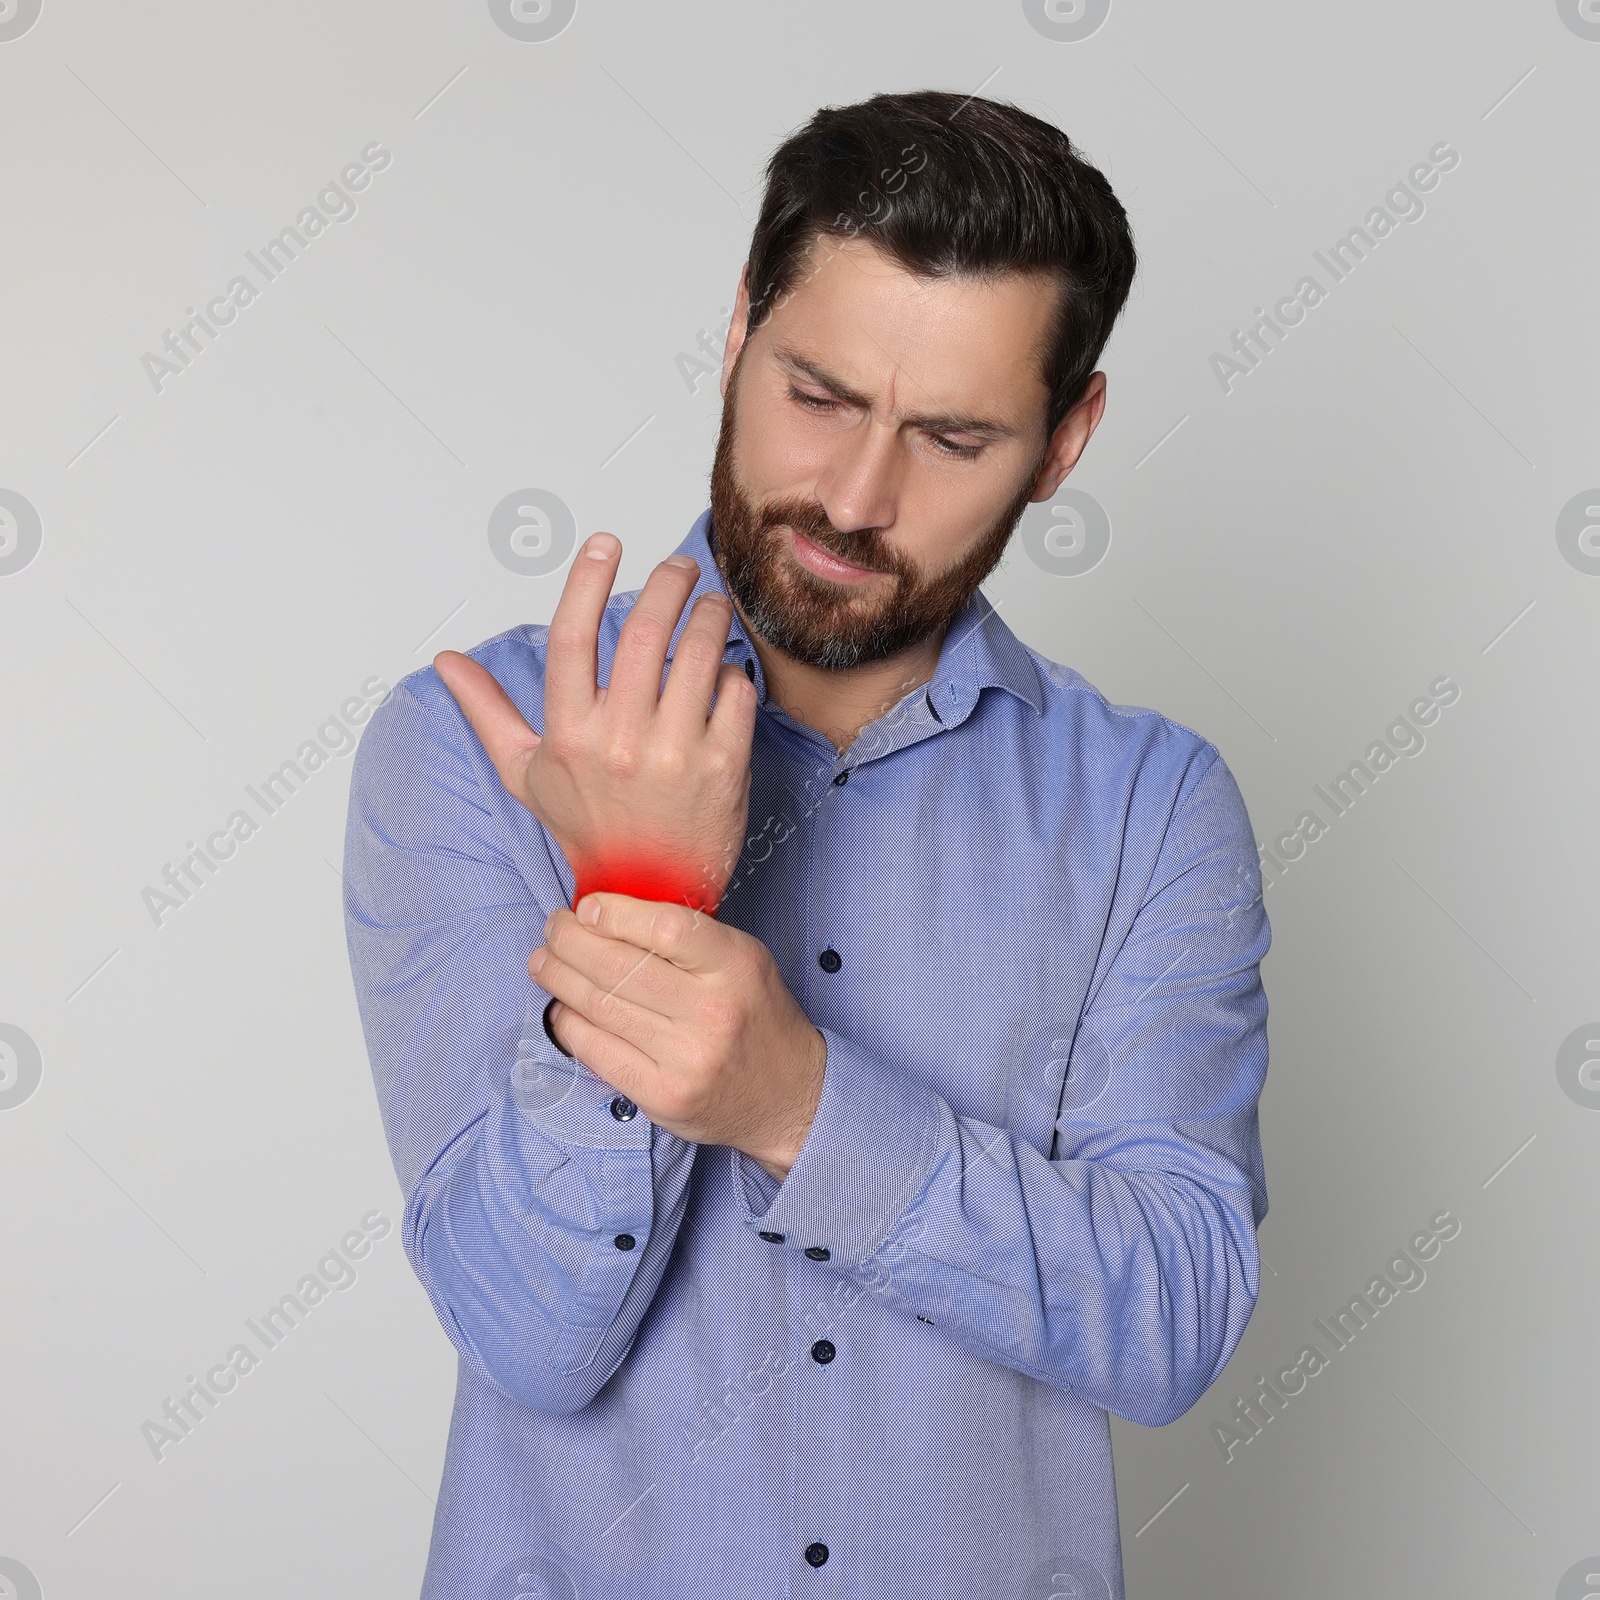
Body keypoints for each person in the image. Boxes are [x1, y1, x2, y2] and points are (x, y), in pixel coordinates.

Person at [343, 88, 1270, 1600]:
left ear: (1064, 440)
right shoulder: (475, 744)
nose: (853, 494)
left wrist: (802, 1108)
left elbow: (1171, 1322)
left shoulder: (1152, 806)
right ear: (737, 333)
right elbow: (527, 1334)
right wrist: (639, 894)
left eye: (954, 435)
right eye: (819, 394)